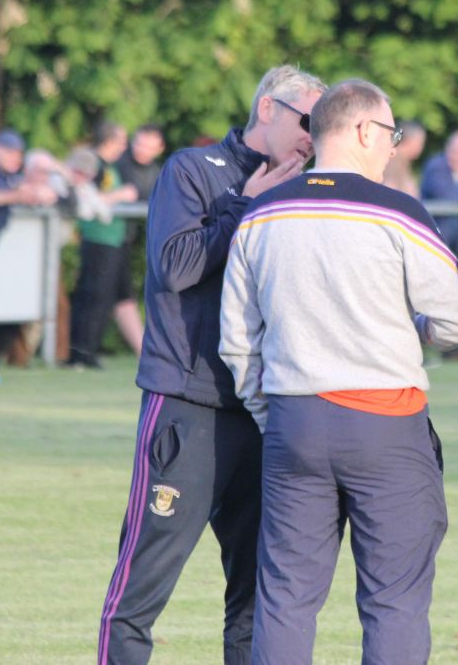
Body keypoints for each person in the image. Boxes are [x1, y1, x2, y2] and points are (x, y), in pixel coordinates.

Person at [220, 79, 458, 664]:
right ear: (364, 131)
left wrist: (271, 414)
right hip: (386, 423)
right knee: (394, 600)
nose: (393, 148)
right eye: (391, 134)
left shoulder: (259, 215)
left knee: (285, 597)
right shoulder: (400, 212)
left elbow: (238, 344)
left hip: (292, 421)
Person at [97, 64, 325, 665]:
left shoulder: (308, 185)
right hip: (188, 406)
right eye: (309, 121)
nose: (315, 136)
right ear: (269, 109)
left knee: (256, 597)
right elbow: (173, 268)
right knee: (141, 589)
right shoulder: (193, 170)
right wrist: (243, 206)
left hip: (266, 410)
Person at [67, 123, 139, 369]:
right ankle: (81, 352)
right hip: (98, 238)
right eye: (121, 141)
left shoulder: (110, 167)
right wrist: (121, 195)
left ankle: (89, 350)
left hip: (112, 239)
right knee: (93, 296)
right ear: (109, 141)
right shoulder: (93, 163)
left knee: (108, 297)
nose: (124, 146)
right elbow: (85, 196)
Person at [112, 123, 167, 361]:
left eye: (148, 146)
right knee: (113, 295)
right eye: (139, 143)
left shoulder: (159, 172)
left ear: (159, 148)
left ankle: (144, 349)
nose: (142, 150)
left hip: (129, 241)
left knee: (123, 294)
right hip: (110, 239)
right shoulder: (119, 165)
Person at [420, 128, 458, 258]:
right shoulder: (435, 167)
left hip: (455, 245)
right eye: (455, 152)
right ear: (447, 148)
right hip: (430, 243)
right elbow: (442, 194)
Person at [381, 119, 427, 198]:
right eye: (421, 143)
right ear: (410, 140)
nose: (422, 147)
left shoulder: (400, 161)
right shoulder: (392, 162)